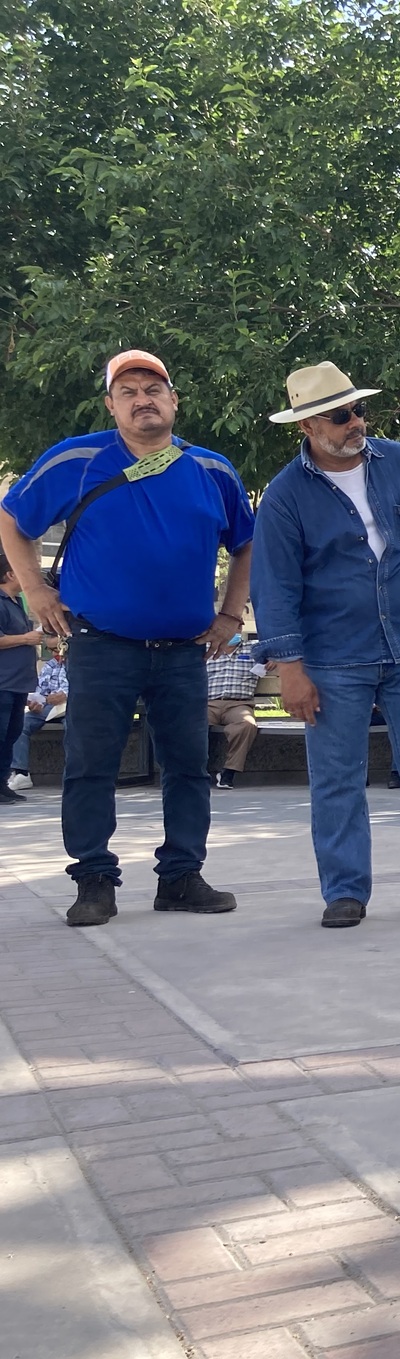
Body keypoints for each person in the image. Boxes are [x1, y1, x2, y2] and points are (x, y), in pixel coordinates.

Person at [0, 349, 252, 926]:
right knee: (90, 765)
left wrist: (231, 615)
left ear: (174, 401)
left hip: (184, 651)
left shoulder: (212, 470)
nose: (143, 400)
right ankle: (93, 879)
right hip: (102, 645)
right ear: (111, 405)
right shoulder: (77, 458)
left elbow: (245, 544)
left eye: (153, 389)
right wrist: (35, 590)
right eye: (129, 392)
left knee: (188, 766)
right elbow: (11, 519)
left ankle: (181, 877)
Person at [252, 362, 400, 928]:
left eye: (358, 410)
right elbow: (274, 585)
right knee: (337, 780)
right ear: (307, 426)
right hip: (333, 659)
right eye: (340, 415)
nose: (356, 422)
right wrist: (291, 670)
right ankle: (345, 891)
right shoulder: (284, 497)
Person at [0, 556, 43, 807]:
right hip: (3, 681)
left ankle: (2, 783)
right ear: (9, 574)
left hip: (18, 683)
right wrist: (26, 638)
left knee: (11, 734)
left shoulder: (18, 602)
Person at [204, 632, 265, 789]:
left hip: (238, 705)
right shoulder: (206, 649)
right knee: (193, 725)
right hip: (208, 704)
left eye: (238, 626)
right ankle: (198, 769)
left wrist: (273, 659)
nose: (233, 630)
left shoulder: (254, 648)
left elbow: (277, 647)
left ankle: (229, 772)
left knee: (247, 725)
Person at [10, 640, 67, 791]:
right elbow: (40, 689)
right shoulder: (50, 665)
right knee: (20, 724)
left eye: (57, 649)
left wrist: (66, 695)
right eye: (50, 649)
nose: (55, 653)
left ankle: (71, 772)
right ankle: (21, 773)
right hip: (48, 706)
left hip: (70, 705)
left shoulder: (76, 664)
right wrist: (35, 701)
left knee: (73, 727)